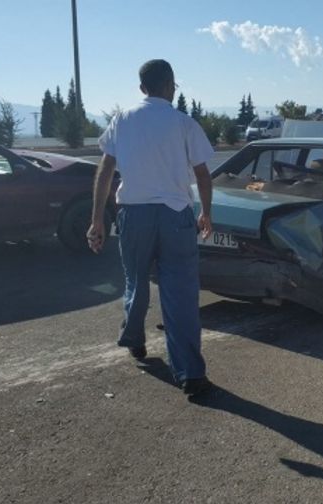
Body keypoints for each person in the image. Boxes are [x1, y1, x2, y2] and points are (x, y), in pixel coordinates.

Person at [87, 59, 215, 397]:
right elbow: (203, 174)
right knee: (180, 292)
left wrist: (97, 219)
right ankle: (190, 374)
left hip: (133, 214)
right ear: (171, 85)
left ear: (142, 88)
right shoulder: (184, 123)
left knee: (136, 279)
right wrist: (206, 213)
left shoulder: (122, 120)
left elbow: (105, 171)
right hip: (175, 215)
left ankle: (134, 340)